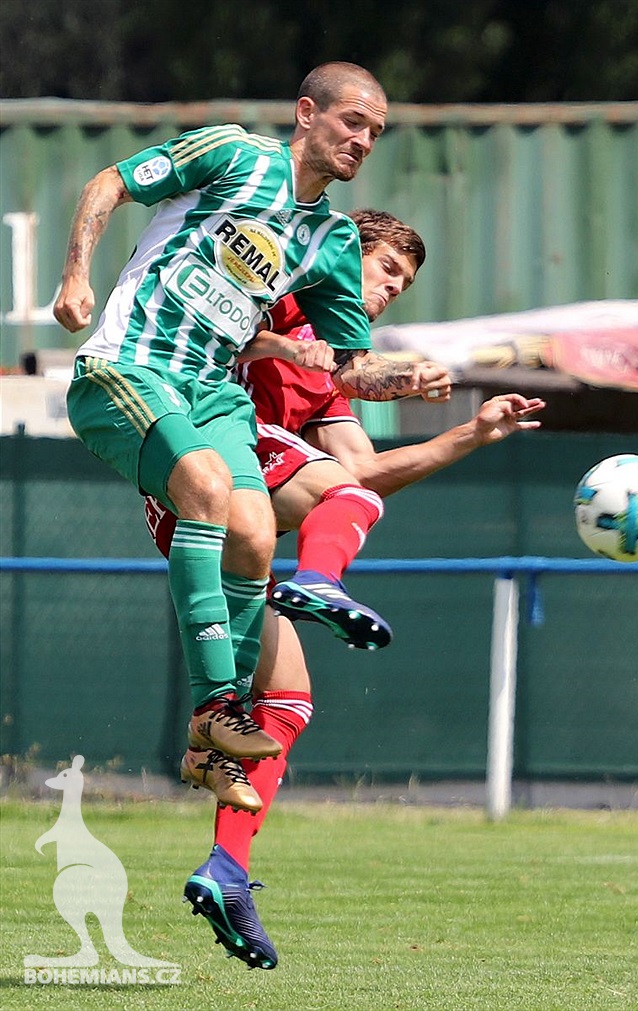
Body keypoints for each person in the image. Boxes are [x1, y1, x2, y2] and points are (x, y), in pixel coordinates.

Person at [146, 211, 546, 969]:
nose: (392, 287)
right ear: (342, 256)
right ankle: (319, 581)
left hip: (243, 516)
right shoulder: (286, 298)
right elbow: (231, 330)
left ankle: (225, 870)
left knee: (287, 702)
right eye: (386, 267)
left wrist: (474, 433)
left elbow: (362, 465)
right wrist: (327, 356)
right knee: (348, 501)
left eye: (404, 280)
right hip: (205, 465)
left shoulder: (326, 383)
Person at [52, 63, 394, 784]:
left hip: (215, 396)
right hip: (130, 367)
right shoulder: (235, 154)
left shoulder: (331, 239)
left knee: (255, 532)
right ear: (307, 113)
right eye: (352, 122)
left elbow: (347, 366)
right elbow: (107, 183)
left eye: (375, 132)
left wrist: (408, 383)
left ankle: (209, 748)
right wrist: (76, 275)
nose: (363, 140)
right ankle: (216, 705)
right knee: (207, 487)